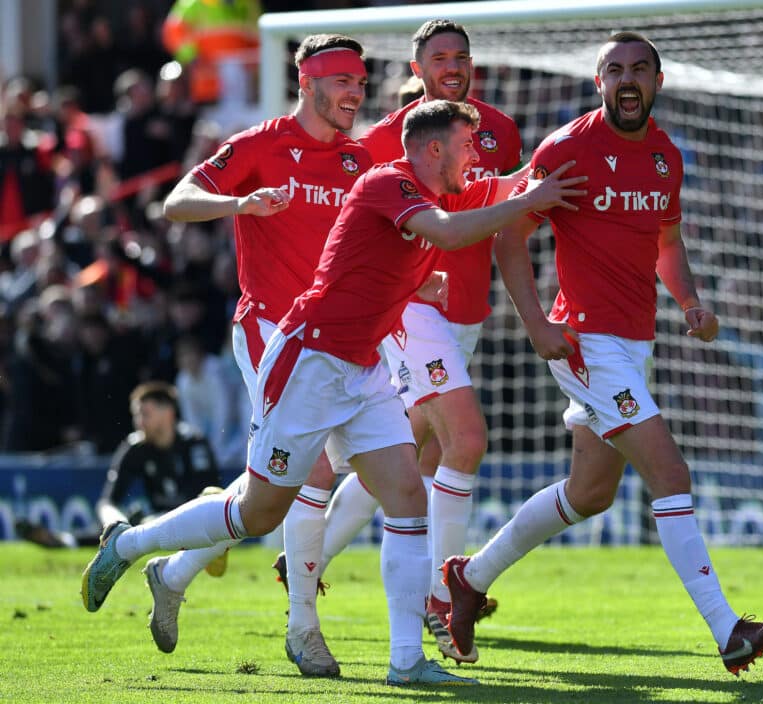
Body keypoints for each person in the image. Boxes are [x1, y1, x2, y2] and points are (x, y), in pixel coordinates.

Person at [80, 98, 585, 687]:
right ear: (433, 149)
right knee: (257, 510)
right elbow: (449, 234)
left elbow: (504, 187)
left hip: (365, 368)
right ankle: (132, 542)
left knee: (405, 498)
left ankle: (406, 663)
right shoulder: (385, 183)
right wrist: (527, 203)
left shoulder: (445, 191)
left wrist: (564, 158)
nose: (476, 157)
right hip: (309, 362)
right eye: (467, 146)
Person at [442, 32, 763, 677]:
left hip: (634, 343)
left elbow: (667, 241)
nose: (626, 80)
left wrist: (689, 302)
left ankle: (470, 580)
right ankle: (728, 631)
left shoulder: (664, 156)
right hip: (584, 343)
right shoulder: (569, 150)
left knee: (590, 492)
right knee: (671, 474)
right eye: (614, 70)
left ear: (658, 81)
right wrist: (537, 323)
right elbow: (508, 239)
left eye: (638, 70)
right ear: (597, 82)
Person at [273, 19, 523, 665]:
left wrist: (528, 312)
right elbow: (392, 225)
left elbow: (511, 230)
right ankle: (446, 593)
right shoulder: (391, 140)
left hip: (457, 313)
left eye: (461, 55)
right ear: (416, 66)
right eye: (439, 57)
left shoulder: (499, 130)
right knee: (464, 439)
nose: (452, 65)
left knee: (407, 457)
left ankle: (295, 557)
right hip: (408, 314)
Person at [144, 34, 375, 676]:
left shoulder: (361, 160)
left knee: (276, 488)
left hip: (340, 339)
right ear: (306, 83)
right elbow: (176, 202)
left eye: (361, 80)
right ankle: (304, 629)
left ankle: (170, 568)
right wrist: (238, 203)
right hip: (270, 332)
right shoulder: (258, 146)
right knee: (310, 475)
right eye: (342, 81)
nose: (355, 91)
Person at [17, 382, 221, 549]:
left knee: (144, 526)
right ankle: (64, 541)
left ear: (168, 413)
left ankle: (65, 541)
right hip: (155, 524)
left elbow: (208, 500)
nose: (139, 422)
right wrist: (117, 523)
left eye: (145, 414)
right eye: (136, 416)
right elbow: (107, 502)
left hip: (192, 525)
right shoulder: (135, 447)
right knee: (127, 527)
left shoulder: (194, 444)